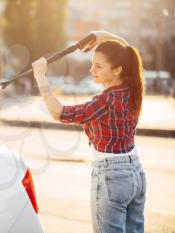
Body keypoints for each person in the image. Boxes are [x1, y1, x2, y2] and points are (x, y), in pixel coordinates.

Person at [31, 31, 146, 233]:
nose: (92, 70)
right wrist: (104, 36)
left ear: (118, 70)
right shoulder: (132, 88)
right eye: (92, 63)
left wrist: (41, 77)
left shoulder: (104, 102)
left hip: (112, 176)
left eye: (99, 66)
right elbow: (129, 55)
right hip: (136, 173)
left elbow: (60, 113)